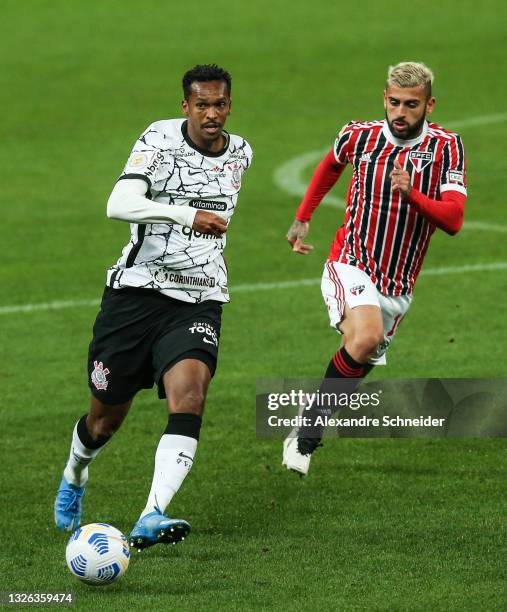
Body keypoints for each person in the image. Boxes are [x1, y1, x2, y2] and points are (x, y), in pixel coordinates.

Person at [54, 64, 253, 549]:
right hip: (136, 295)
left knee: (191, 395)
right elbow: (118, 203)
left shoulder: (241, 152)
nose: (211, 114)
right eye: (201, 104)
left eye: (219, 104)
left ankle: (151, 513)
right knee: (104, 421)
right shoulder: (159, 139)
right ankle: (76, 472)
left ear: (230, 105)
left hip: (199, 298)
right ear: (184, 106)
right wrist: (187, 215)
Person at [282, 62, 467, 475]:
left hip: (398, 284)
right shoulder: (359, 136)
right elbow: (331, 163)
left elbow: (453, 220)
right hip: (351, 261)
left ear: (429, 105)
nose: (401, 113)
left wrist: (413, 194)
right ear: (384, 98)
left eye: (412, 105)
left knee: (360, 353)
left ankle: (309, 418)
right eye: (395, 103)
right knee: (365, 337)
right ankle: (308, 434)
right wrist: (303, 215)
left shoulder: (447, 147)